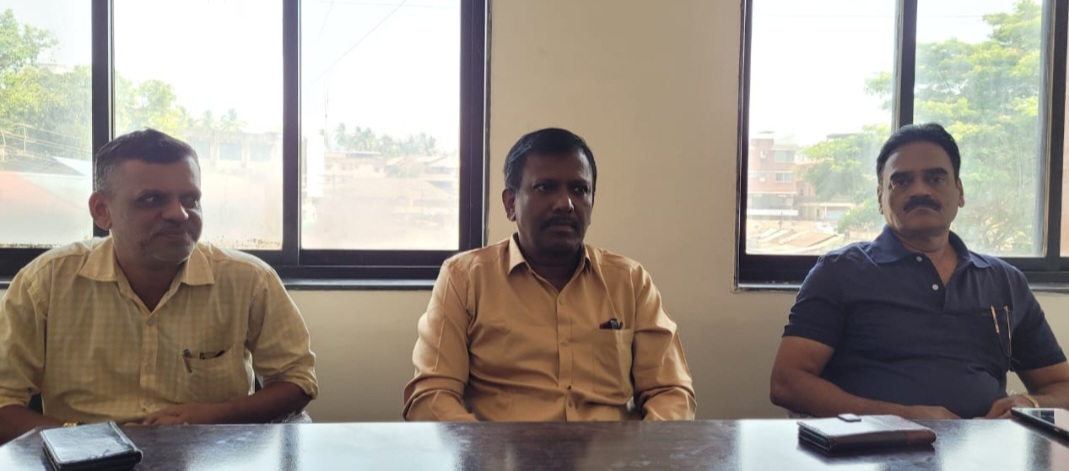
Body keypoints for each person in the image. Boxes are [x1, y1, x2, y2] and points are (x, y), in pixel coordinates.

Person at [0, 129, 318, 443]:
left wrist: (214, 417)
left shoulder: (248, 280)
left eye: (190, 199)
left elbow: (298, 380)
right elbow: (4, 402)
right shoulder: (44, 284)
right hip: (86, 461)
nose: (179, 214)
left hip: (210, 456)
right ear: (102, 211)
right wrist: (90, 441)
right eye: (152, 199)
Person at [770, 123, 1069, 419]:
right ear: (880, 198)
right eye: (901, 182)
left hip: (987, 445)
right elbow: (787, 383)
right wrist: (901, 418)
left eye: (935, 178)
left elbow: (1062, 386)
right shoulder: (839, 271)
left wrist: (1029, 404)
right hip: (873, 446)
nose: (919, 190)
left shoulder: (1004, 280)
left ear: (960, 192)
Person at [403, 127, 695, 421]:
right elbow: (431, 396)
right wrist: (481, 449)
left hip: (608, 450)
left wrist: (645, 448)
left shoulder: (629, 282)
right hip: (503, 449)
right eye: (545, 188)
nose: (565, 204)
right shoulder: (464, 280)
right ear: (510, 203)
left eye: (579, 190)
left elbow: (670, 392)